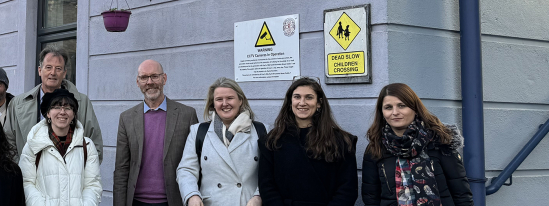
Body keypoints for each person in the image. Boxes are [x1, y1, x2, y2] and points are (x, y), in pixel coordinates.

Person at [361, 83, 473, 206]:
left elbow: (461, 194)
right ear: (381, 112)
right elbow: (371, 198)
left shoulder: (439, 142)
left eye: (401, 106)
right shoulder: (375, 148)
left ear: (415, 109)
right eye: (388, 107)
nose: (395, 112)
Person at [258, 77, 358, 205]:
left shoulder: (341, 141)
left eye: (309, 97)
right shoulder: (272, 140)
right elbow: (267, 186)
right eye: (297, 97)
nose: (302, 102)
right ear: (290, 102)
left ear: (319, 103)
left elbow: (347, 189)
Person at [114, 60, 199, 206]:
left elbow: (196, 163)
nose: (149, 82)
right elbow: (122, 169)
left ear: (164, 78)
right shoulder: (126, 118)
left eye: (154, 76)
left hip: (174, 200)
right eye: (144, 77)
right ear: (138, 82)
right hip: (136, 201)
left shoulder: (187, 115)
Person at [176, 77, 266, 206]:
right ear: (213, 103)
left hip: (248, 202)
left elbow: (270, 172)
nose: (224, 103)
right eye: (219, 99)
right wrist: (192, 195)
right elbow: (186, 170)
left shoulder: (260, 131)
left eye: (230, 98)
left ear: (240, 100)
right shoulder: (198, 132)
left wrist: (258, 196)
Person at [4, 47, 103, 161]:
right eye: (48, 67)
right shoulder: (17, 104)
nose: (53, 73)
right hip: (29, 175)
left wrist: (76, 172)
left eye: (58, 68)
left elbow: (95, 146)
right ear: (40, 70)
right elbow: (8, 143)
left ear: (64, 73)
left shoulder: (83, 102)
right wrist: (22, 171)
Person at [19, 89, 102, 205]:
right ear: (48, 113)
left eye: (68, 108)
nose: (62, 112)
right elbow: (26, 183)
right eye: (57, 107)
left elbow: (92, 185)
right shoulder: (33, 145)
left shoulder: (87, 146)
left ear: (73, 114)